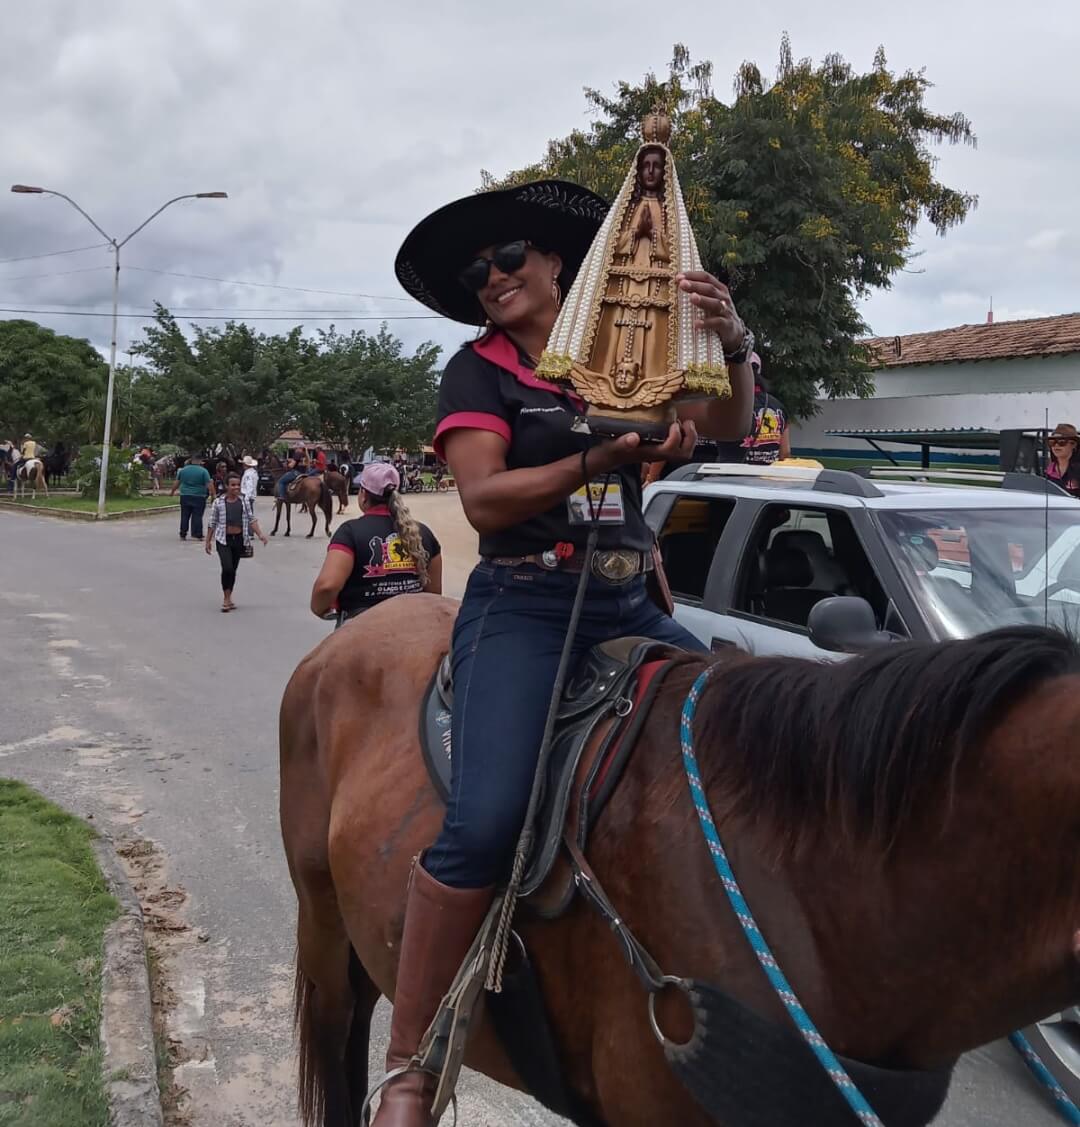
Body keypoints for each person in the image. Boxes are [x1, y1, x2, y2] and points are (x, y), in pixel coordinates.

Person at [373, 178, 753, 1123]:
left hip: (628, 597)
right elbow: (485, 501)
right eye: (476, 271)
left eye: (507, 259)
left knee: (747, 737)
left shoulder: (625, 352)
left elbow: (730, 426)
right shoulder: (480, 371)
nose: (491, 277)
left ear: (554, 265)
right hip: (526, 606)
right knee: (486, 821)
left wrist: (733, 339)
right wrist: (600, 458)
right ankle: (410, 1064)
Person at [309, 463, 442, 626]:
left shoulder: (350, 532)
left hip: (361, 628)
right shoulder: (424, 533)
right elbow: (434, 596)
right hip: (414, 629)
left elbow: (327, 586)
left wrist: (318, 609)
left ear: (364, 494)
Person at [204, 473, 268, 611]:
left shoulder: (244, 501)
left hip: (239, 539)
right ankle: (226, 599)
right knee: (226, 568)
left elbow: (251, 519)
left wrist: (260, 534)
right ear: (226, 486)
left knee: (233, 570)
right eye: (233, 485)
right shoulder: (219, 502)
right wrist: (208, 540)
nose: (236, 487)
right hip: (223, 539)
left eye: (238, 485)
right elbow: (212, 522)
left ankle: (229, 596)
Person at [169, 455, 214, 541]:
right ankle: (198, 534)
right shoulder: (203, 471)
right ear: (199, 461)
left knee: (185, 515)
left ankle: (183, 533)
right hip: (199, 496)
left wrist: (172, 492)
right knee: (197, 515)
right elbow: (209, 484)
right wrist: (213, 494)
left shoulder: (183, 470)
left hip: (185, 495)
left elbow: (177, 482)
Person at [1045, 423, 1080, 498]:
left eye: (1061, 442)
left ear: (1073, 444)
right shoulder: (1049, 470)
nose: (1056, 445)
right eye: (1052, 442)